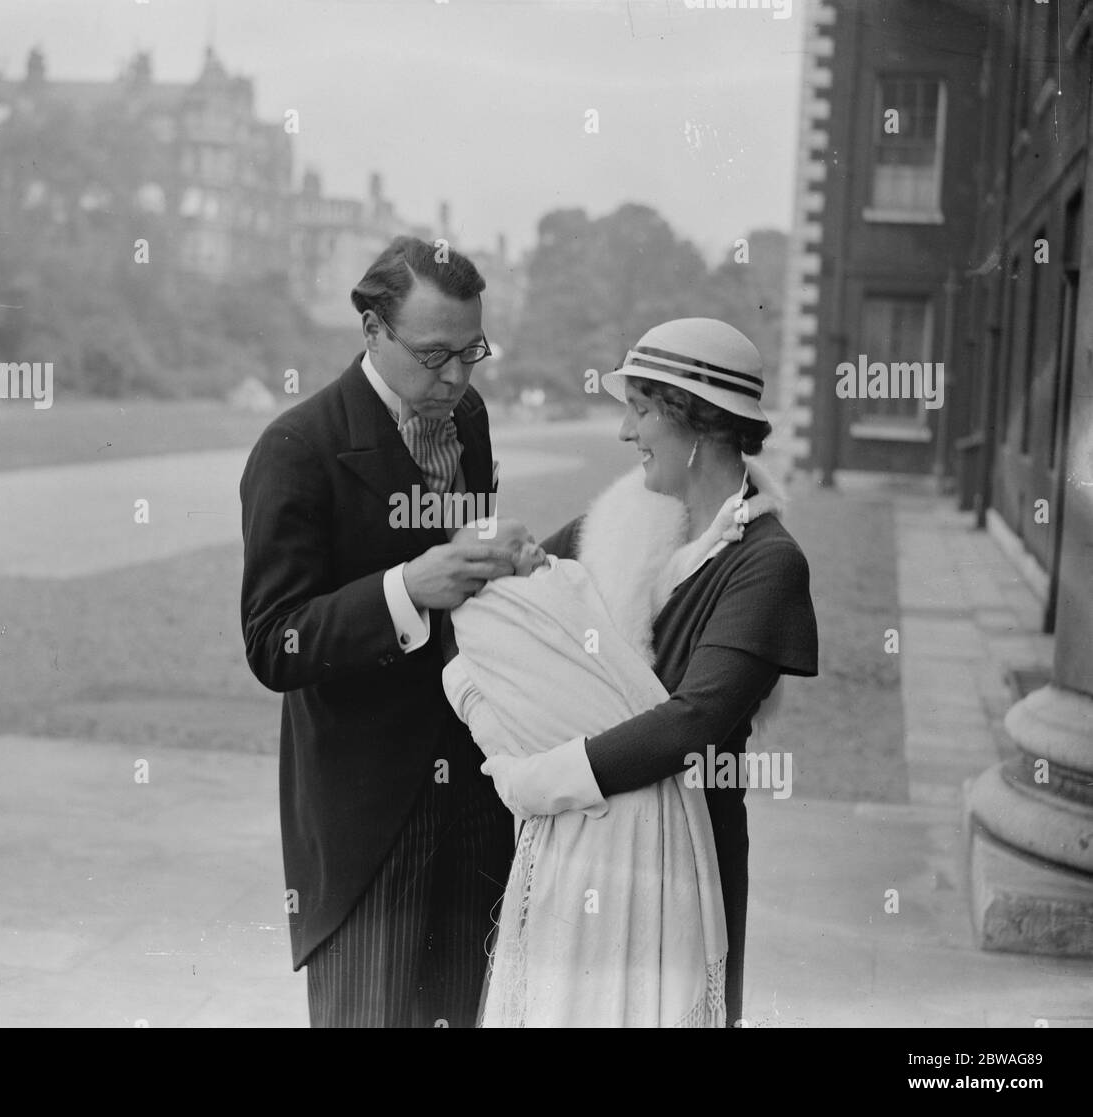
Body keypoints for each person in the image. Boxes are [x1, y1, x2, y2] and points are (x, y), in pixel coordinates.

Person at [478, 317, 819, 1026]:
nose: (626, 434)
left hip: (686, 855)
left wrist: (544, 776)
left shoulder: (765, 560)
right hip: (583, 848)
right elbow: (512, 608)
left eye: (639, 410)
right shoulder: (612, 521)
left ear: (696, 419)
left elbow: (697, 718)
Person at [238, 236, 516, 1028]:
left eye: (474, 351)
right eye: (435, 355)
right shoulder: (296, 449)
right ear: (371, 331)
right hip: (368, 816)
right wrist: (405, 591)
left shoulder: (468, 416)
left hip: (477, 791)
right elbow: (272, 639)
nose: (458, 377)